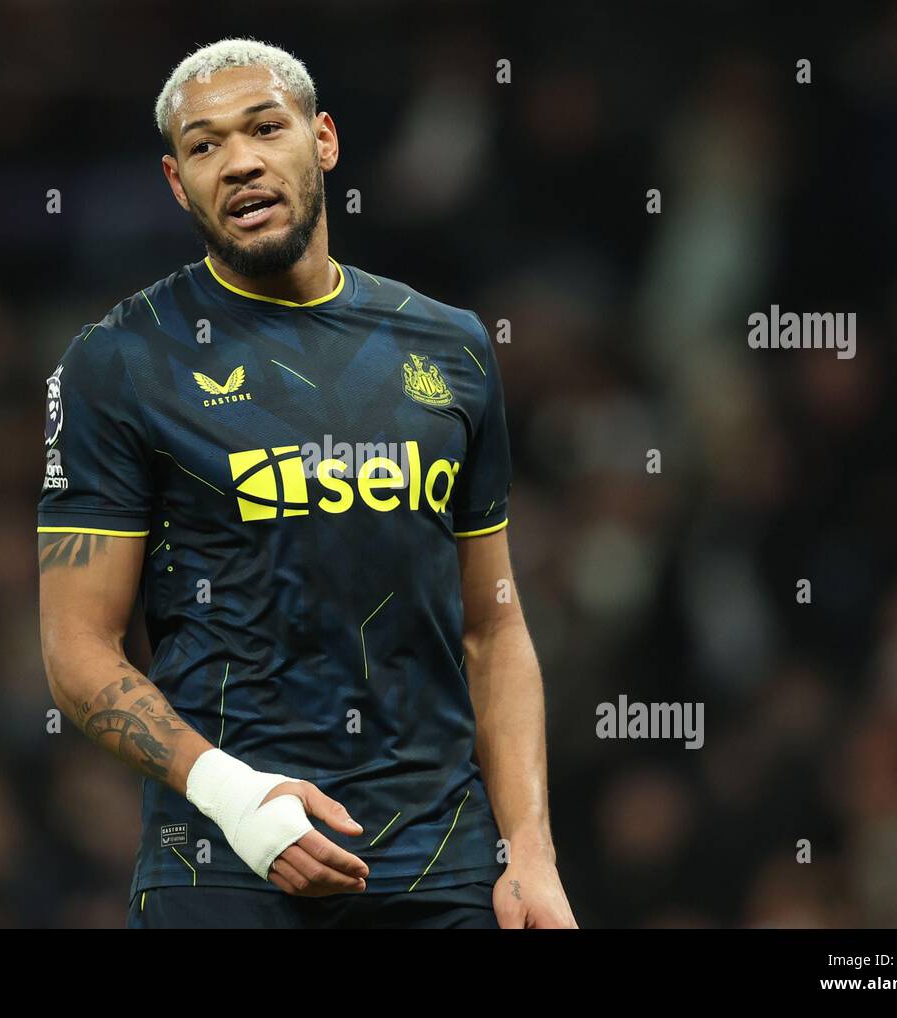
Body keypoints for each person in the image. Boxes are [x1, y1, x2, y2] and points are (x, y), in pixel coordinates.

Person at [37, 36, 576, 930]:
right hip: (221, 864)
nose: (240, 161)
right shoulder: (119, 363)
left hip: (441, 863)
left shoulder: (451, 347)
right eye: (205, 146)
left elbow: (495, 622)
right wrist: (238, 802)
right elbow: (75, 650)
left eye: (264, 127)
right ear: (178, 183)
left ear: (322, 140)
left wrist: (531, 852)